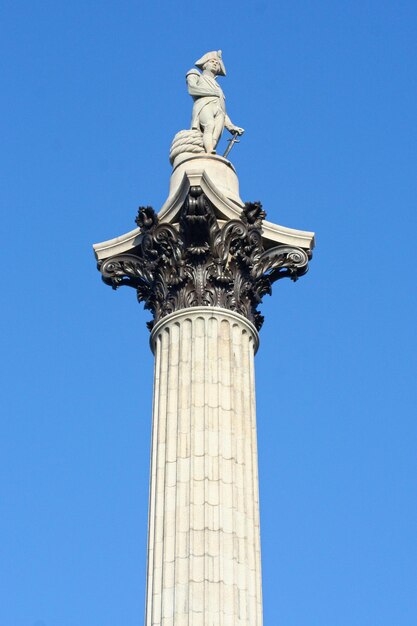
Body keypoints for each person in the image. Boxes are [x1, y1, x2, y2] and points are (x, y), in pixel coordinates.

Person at [186, 50, 244, 154]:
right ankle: (209, 150)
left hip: (219, 112)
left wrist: (232, 127)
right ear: (205, 64)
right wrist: (213, 92)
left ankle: (208, 153)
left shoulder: (218, 88)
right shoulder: (195, 74)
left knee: (215, 135)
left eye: (217, 64)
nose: (215, 64)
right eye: (212, 61)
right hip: (204, 105)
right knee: (209, 125)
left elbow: (223, 110)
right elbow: (192, 89)